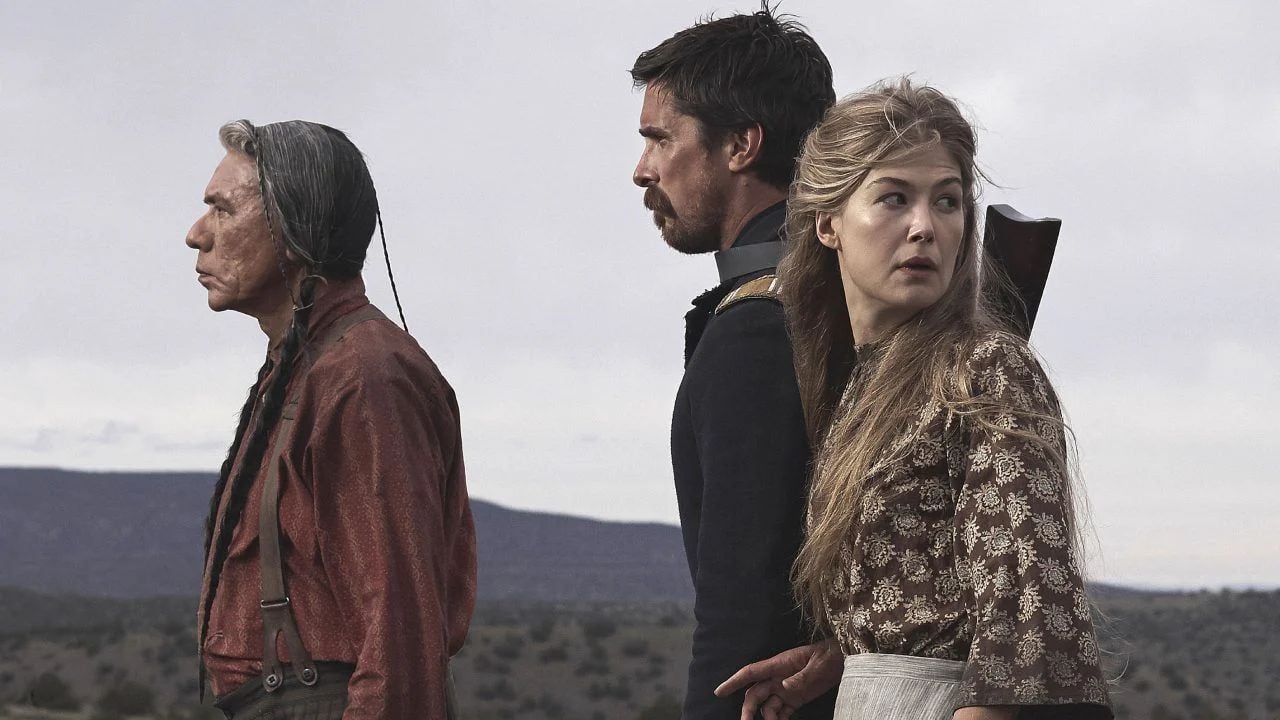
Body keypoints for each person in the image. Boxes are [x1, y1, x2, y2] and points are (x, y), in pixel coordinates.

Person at [715, 79, 1112, 720]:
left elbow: (1024, 610)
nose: (925, 227)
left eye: (947, 202)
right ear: (828, 223)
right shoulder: (856, 384)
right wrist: (846, 656)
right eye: (894, 198)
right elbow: (931, 598)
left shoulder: (985, 369)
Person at [186, 119, 476, 719]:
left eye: (222, 209)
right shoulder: (304, 367)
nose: (197, 235)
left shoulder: (364, 377)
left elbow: (397, 635)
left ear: (293, 230)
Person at [629, 6, 837, 720]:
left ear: (742, 145)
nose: (642, 169)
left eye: (661, 138)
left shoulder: (758, 330)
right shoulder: (829, 299)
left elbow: (741, 623)